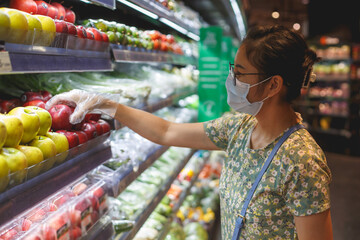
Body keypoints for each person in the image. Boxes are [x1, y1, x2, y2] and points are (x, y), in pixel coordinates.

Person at [46, 25, 333, 240]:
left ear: (273, 85)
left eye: (241, 73)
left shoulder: (302, 161)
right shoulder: (239, 128)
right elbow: (167, 131)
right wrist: (105, 103)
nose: (231, 79)